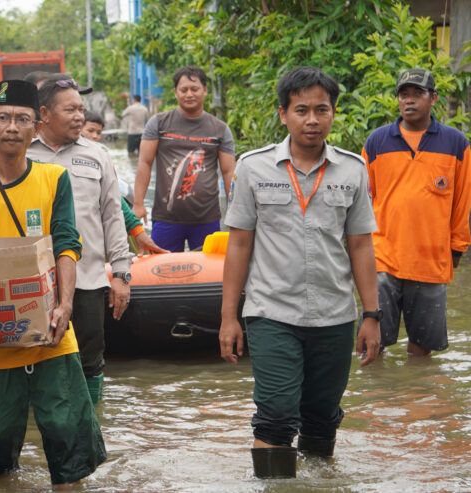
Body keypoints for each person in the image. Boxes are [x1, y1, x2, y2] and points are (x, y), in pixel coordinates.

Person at [0, 79, 106, 486]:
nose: (12, 127)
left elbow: (67, 243)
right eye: (4, 118)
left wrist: (64, 306)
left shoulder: (54, 179)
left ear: (37, 125)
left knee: (69, 436)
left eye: (22, 119)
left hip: (49, 329)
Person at [219, 66, 381, 479]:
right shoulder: (253, 168)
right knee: (274, 413)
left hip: (335, 315)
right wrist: (228, 317)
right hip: (271, 312)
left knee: (323, 417)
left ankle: (316, 485)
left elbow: (361, 245)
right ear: (283, 114)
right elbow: (239, 244)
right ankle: (275, 487)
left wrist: (372, 315)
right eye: (301, 110)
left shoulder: (352, 170)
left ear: (333, 113)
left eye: (321, 110)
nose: (312, 120)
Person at [27, 73, 132, 403]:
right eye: (70, 110)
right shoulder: (21, 153)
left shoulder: (98, 154)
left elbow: (112, 216)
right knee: (31, 360)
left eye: (81, 109)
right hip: (32, 281)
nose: (80, 117)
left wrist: (121, 275)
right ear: (44, 114)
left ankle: (90, 426)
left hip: (88, 279)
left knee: (90, 361)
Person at [361, 68, 471, 357]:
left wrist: (457, 247)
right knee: (373, 345)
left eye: (417, 94)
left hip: (430, 259)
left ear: (433, 98)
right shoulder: (376, 142)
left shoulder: (456, 144)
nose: (409, 101)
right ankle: (380, 397)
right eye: (403, 95)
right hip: (383, 256)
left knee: (422, 352)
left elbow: (462, 202)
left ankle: (419, 401)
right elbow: (362, 201)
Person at [133, 66, 236, 252]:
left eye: (194, 89)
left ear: (205, 90)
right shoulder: (159, 123)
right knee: (161, 272)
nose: (189, 94)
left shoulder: (220, 129)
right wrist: (138, 204)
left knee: (208, 276)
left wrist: (236, 210)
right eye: (183, 90)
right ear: (175, 92)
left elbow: (229, 172)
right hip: (166, 218)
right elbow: (144, 163)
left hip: (207, 218)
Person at [82, 110, 166, 255]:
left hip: (115, 215)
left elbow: (113, 193)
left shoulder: (102, 154)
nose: (95, 136)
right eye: (90, 131)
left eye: (99, 132)